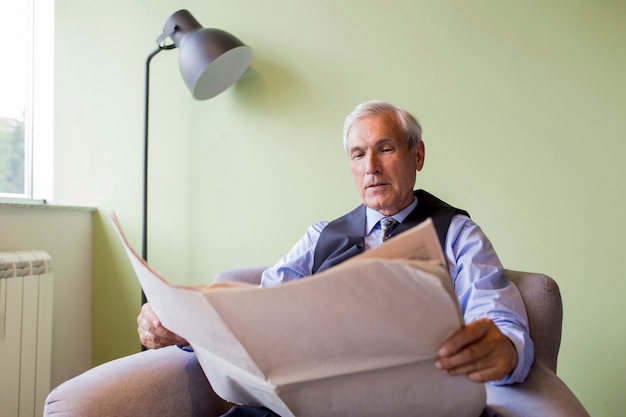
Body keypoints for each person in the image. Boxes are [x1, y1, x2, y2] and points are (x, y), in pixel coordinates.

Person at [135, 100, 533, 416]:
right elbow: (258, 310)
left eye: (386, 148)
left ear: (418, 155)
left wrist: (505, 350)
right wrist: (185, 326)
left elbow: (498, 315)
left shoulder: (459, 234)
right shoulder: (320, 236)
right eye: (358, 155)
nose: (371, 167)